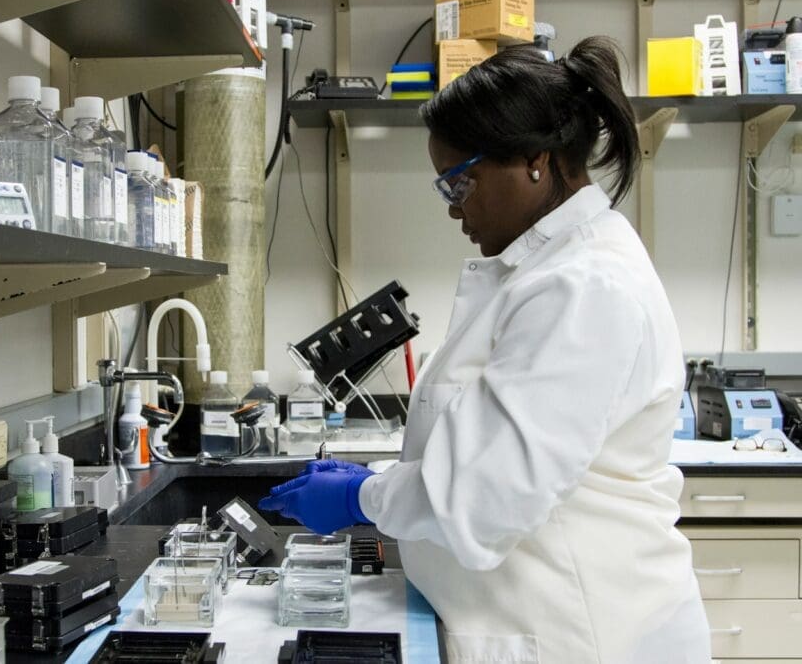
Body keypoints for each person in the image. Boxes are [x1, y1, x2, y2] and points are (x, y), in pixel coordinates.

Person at [258, 36, 711, 663]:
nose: (453, 210)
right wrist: (382, 484)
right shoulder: (546, 273)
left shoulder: (583, 287)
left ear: (532, 159)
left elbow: (480, 500)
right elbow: (488, 452)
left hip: (585, 631)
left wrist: (363, 495)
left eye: (457, 183)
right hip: (536, 615)